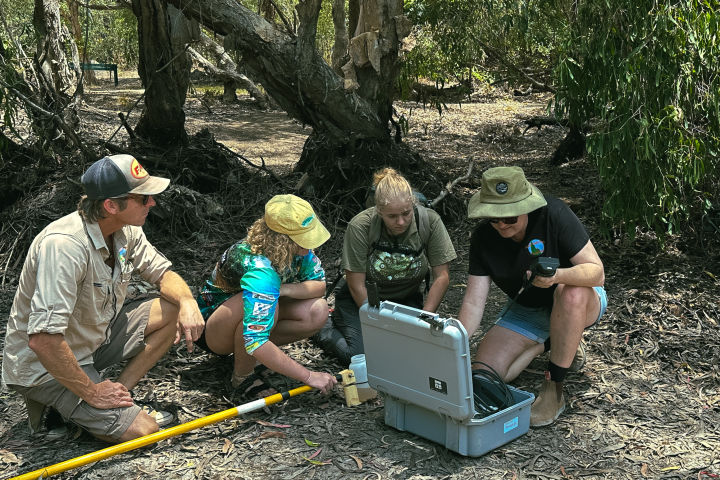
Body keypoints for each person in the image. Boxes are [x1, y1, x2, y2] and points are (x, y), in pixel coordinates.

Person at [2, 154, 205, 443]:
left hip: (91, 341)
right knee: (143, 431)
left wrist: (187, 302)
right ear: (111, 205)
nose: (152, 203)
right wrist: (92, 392)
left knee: (171, 308)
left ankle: (118, 395)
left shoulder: (126, 230)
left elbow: (163, 274)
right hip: (45, 364)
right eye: (143, 198)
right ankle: (77, 400)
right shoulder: (65, 246)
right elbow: (42, 340)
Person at [458, 166, 607, 427]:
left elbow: (596, 273)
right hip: (528, 309)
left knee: (570, 291)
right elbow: (473, 302)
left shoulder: (554, 214)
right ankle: (551, 342)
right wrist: (453, 342)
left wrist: (557, 275)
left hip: (579, 300)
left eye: (510, 217)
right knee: (486, 376)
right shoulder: (483, 238)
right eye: (494, 218)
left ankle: (554, 388)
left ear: (526, 207)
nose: (501, 224)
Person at [194, 194, 337, 397]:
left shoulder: (298, 251)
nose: (310, 246)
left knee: (318, 309)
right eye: (304, 239)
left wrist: (284, 290)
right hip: (212, 330)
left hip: (252, 318)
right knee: (269, 309)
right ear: (283, 241)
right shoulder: (260, 271)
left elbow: (319, 286)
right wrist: (308, 376)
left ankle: (253, 358)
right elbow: (256, 340)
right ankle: (242, 376)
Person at [313, 168, 457, 365]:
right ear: (379, 211)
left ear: (412, 204)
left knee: (413, 354)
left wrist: (424, 319)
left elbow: (442, 277)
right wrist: (376, 322)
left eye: (406, 214)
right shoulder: (361, 226)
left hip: (405, 300)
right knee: (361, 357)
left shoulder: (429, 221)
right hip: (361, 301)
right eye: (392, 216)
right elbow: (356, 283)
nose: (401, 222)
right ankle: (323, 326)